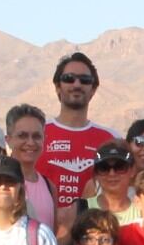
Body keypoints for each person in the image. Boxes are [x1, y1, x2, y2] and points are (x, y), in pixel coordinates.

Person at [40, 51, 117, 209]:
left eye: (85, 80)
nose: (76, 84)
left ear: (93, 89)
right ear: (57, 87)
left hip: (91, 228)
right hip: (40, 228)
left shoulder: (111, 139)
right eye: (69, 78)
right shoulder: (36, 134)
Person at [4, 103, 65, 234]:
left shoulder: (49, 187)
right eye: (22, 136)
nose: (30, 142)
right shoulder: (0, 185)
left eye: (36, 136)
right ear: (8, 140)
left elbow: (52, 237)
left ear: (44, 140)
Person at [79, 139, 138, 227]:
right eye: (104, 168)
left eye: (120, 167)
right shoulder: (79, 209)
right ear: (96, 173)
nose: (112, 173)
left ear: (133, 170)